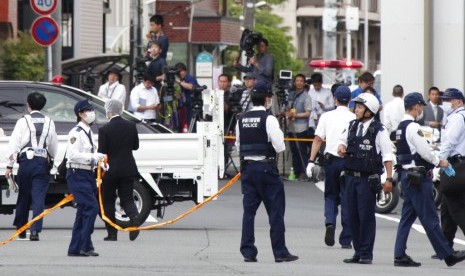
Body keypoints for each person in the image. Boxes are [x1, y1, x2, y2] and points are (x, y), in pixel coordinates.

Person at [393, 92, 465, 267]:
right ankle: (448, 255)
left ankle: (399, 254)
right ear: (416, 106)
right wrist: (439, 161)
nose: (421, 109)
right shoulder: (413, 127)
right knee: (430, 218)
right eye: (421, 106)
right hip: (418, 177)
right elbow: (424, 151)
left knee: (407, 218)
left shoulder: (400, 127)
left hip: (406, 175)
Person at [235, 82, 298, 263]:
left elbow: (239, 145)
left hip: (248, 169)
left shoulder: (242, 119)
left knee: (249, 213)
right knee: (275, 212)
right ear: (267, 99)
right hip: (266, 169)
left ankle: (248, 251)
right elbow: (279, 146)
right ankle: (279, 252)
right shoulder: (269, 119)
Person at [336, 93, 394, 264]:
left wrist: (388, 179)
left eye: (360, 107)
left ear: (370, 111)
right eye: (356, 106)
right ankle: (357, 251)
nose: (356, 109)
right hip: (350, 178)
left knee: (366, 217)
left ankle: (366, 253)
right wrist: (341, 147)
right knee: (351, 215)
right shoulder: (352, 125)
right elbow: (342, 141)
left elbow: (387, 156)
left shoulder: (379, 130)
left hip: (367, 180)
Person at [5, 92, 58, 241]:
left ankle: (21, 229)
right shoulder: (49, 121)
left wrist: (9, 166)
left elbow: (14, 144)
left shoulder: (23, 121)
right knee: (38, 197)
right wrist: (51, 158)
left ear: (28, 105)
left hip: (25, 162)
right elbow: (53, 145)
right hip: (41, 162)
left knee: (24, 196)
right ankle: (35, 231)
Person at [306, 85, 354, 249]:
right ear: (350, 100)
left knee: (331, 196)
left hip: (331, 161)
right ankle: (346, 239)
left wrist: (311, 161)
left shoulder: (326, 116)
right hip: (348, 161)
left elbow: (318, 139)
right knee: (347, 198)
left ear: (335, 99)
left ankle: (330, 223)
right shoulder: (354, 117)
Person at [66, 100, 105, 257]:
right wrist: (93, 157)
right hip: (77, 173)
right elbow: (72, 155)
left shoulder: (88, 132)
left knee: (83, 210)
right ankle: (84, 245)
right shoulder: (76, 132)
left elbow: (88, 155)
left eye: (92, 110)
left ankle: (76, 248)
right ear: (80, 114)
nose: (91, 113)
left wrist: (98, 161)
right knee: (92, 207)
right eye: (88, 110)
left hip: (87, 173)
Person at [98, 99, 141, 242]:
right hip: (128, 167)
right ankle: (134, 219)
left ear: (108, 111)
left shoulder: (104, 130)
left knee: (108, 201)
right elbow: (135, 147)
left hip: (110, 170)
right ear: (121, 110)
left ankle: (112, 233)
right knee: (127, 198)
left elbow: (102, 152)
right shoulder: (131, 126)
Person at [436, 88, 465, 259]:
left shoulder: (457, 117)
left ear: (459, 101)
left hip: (455, 165)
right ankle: (445, 246)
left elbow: (450, 142)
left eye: (449, 100)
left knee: (456, 207)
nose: (446, 103)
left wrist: (438, 160)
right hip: (456, 164)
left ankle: (445, 246)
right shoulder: (457, 116)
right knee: (447, 208)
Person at [285, 74, 312, 181]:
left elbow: (308, 113)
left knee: (302, 151)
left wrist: (295, 115)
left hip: (301, 128)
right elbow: (288, 108)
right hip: (291, 127)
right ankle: (296, 172)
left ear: (304, 83)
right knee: (294, 151)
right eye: (297, 81)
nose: (299, 83)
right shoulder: (291, 94)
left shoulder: (306, 96)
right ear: (294, 82)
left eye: (301, 81)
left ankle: (303, 172)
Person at [175, 62, 199, 131]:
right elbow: (179, 95)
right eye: (178, 72)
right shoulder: (180, 80)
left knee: (193, 127)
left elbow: (191, 87)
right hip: (185, 107)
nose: (180, 73)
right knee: (187, 126)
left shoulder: (190, 78)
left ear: (185, 70)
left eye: (181, 71)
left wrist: (179, 82)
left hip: (194, 107)